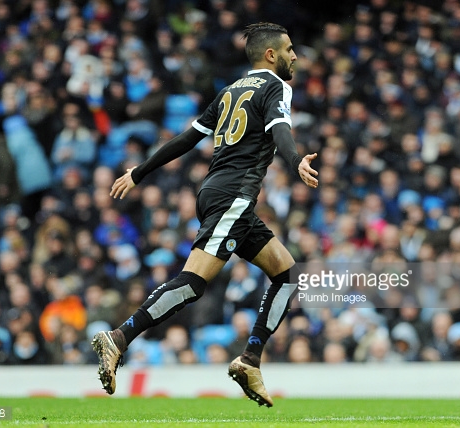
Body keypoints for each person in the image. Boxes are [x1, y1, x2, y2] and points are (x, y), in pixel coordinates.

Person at [92, 22, 318, 407]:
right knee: (194, 282)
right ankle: (119, 338)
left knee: (287, 273)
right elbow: (281, 130)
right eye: (290, 49)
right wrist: (296, 161)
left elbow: (185, 139)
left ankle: (250, 360)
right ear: (270, 55)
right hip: (234, 196)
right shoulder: (276, 87)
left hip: (216, 192)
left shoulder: (230, 91)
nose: (295, 56)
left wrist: (138, 172)